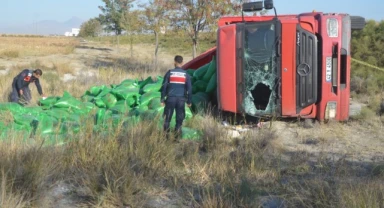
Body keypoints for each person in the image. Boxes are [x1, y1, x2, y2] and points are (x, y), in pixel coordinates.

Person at [161, 55, 192, 140]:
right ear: (182, 63)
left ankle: (165, 138)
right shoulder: (186, 74)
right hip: (181, 100)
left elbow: (164, 87)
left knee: (167, 119)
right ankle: (177, 138)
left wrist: (162, 99)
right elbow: (189, 89)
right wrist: (189, 101)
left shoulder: (170, 73)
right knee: (179, 120)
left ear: (174, 62)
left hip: (170, 99)